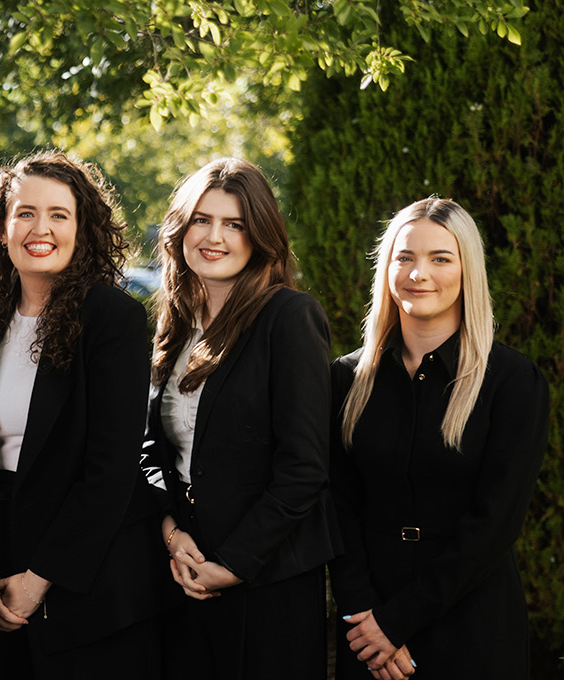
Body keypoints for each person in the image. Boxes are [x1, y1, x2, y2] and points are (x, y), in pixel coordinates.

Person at [0, 151, 161, 677]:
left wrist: (40, 578)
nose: (40, 228)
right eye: (24, 213)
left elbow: (111, 467)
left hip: (91, 581)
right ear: (1, 228)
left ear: (82, 229)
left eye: (58, 215)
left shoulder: (112, 318)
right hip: (1, 569)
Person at [329, 198, 548, 680]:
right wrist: (365, 619)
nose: (418, 273)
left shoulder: (512, 381)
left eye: (440, 258)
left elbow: (496, 523)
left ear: (468, 269)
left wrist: (396, 623)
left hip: (471, 626)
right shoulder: (344, 379)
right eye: (404, 257)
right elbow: (337, 508)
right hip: (367, 629)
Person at [143, 158, 339, 679]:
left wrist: (231, 565)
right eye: (201, 220)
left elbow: (305, 468)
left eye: (234, 224)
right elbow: (152, 449)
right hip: (183, 569)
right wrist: (170, 531)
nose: (214, 237)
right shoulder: (176, 325)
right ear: (180, 230)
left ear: (260, 237)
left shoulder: (289, 317)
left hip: (267, 580)